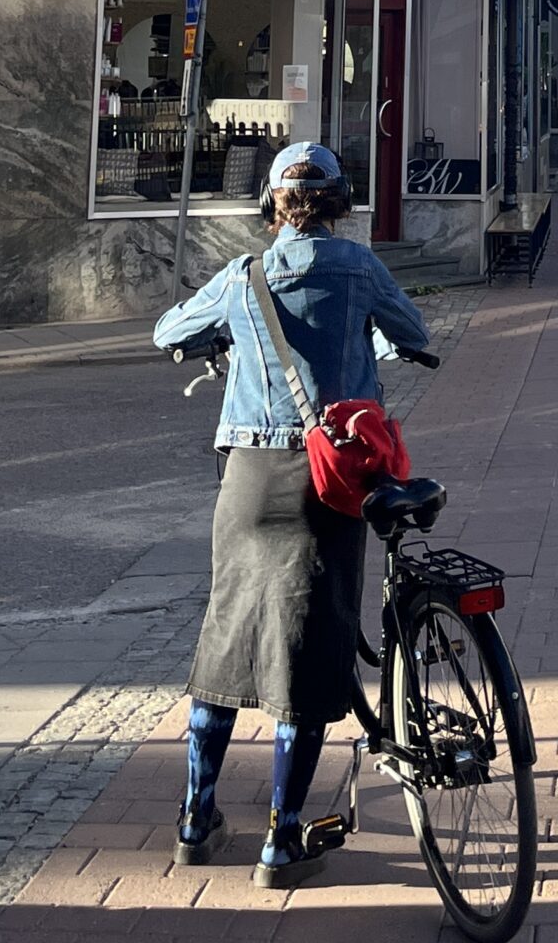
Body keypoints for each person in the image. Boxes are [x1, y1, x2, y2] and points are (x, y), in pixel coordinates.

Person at [154, 142, 431, 886]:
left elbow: (168, 331)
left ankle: (195, 820)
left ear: (272, 205)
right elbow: (414, 334)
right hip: (327, 482)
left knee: (225, 635)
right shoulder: (360, 269)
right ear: (340, 202)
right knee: (310, 646)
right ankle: (281, 839)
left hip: (247, 478)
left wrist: (224, 335)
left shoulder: (241, 276)